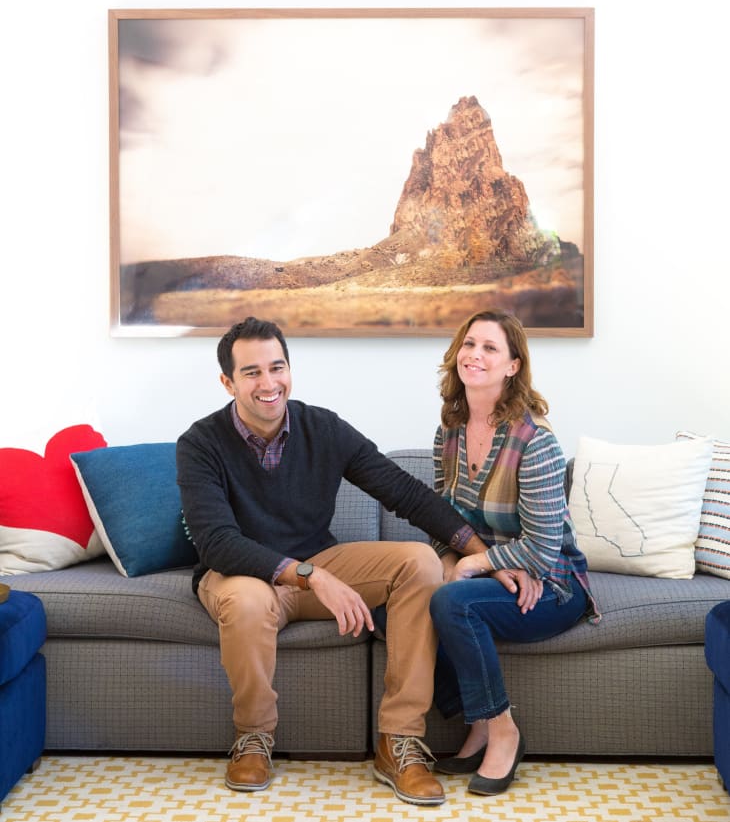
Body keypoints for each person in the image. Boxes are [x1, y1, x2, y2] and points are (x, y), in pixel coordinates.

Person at [176, 316, 494, 806]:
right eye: (252, 372)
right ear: (228, 382)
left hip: (317, 562)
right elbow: (217, 541)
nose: (269, 383)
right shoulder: (199, 443)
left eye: (277, 367)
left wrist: (483, 553)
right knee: (246, 602)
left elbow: (403, 491)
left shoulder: (321, 427)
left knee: (419, 563)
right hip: (242, 576)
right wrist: (309, 575)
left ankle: (399, 742)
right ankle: (253, 738)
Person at [427, 309, 598, 796]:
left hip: (553, 587)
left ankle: (503, 729)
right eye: (469, 344)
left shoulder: (535, 441)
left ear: (513, 366)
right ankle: (477, 724)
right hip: (496, 579)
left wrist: (478, 565)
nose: (474, 355)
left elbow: (543, 551)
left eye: (490, 348)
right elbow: (444, 520)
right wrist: (448, 564)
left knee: (449, 602)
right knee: (406, 599)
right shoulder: (450, 431)